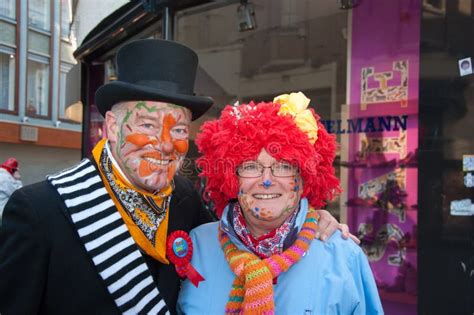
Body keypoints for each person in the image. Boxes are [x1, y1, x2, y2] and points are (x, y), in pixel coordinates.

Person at [0, 40, 349, 315]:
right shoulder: (38, 210)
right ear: (109, 127)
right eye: (148, 125)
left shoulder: (183, 196)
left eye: (178, 128)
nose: (165, 144)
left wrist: (313, 219)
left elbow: (239, 235)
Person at [178, 92, 384, 314]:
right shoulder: (197, 246)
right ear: (231, 177)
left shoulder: (344, 257)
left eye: (284, 167)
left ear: (306, 177)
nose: (267, 181)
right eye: (251, 166)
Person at [0, 158, 22, 224]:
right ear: (13, 169)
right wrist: (18, 180)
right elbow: (18, 194)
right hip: (2, 212)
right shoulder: (6, 178)